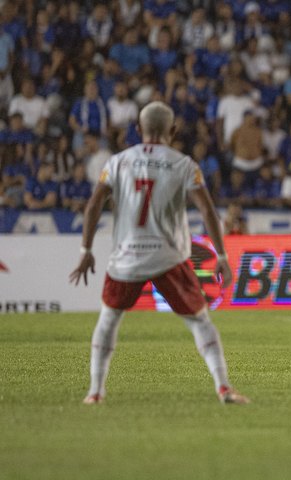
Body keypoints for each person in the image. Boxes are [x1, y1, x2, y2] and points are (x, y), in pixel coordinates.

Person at [69, 101, 249, 405]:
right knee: (200, 322)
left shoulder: (116, 162)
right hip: (169, 257)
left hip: (127, 256)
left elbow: (93, 206)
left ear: (138, 130)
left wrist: (86, 249)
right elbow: (206, 210)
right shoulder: (184, 164)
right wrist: (221, 256)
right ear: (173, 131)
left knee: (109, 319)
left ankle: (95, 392)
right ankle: (223, 388)